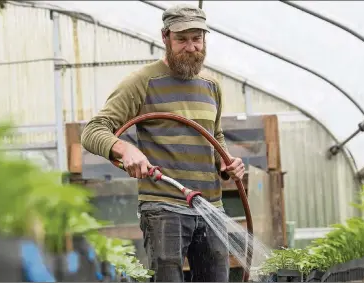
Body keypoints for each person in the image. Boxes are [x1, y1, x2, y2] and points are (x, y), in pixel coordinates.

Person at [81, 3, 245, 282]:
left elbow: (214, 135)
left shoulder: (211, 86)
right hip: (164, 207)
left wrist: (227, 164)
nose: (191, 47)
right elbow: (94, 130)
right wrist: (124, 148)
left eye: (197, 39)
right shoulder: (143, 82)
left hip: (211, 207)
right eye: (182, 39)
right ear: (165, 37)